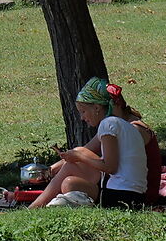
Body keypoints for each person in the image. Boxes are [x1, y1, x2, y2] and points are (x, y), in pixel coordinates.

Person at [26, 79, 155, 208]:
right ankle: (38, 205)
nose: (82, 118)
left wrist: (79, 157)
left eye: (83, 111)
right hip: (137, 196)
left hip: (122, 197)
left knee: (69, 181)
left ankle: (35, 207)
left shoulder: (107, 124)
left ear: (97, 108)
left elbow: (110, 167)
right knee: (69, 181)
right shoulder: (125, 125)